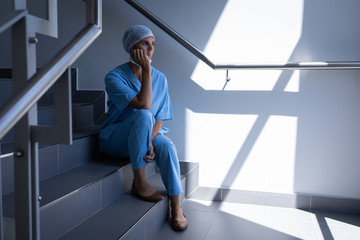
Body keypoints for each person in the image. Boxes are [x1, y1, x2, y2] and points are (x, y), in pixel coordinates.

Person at [98, 25, 188, 231]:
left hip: (145, 135)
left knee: (165, 145)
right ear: (131, 47)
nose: (150, 49)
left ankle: (177, 206)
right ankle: (139, 182)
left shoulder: (161, 78)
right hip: (116, 139)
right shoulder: (114, 77)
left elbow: (159, 118)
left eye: (153, 44)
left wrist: (149, 141)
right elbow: (143, 105)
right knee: (143, 113)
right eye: (144, 43)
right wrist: (146, 69)